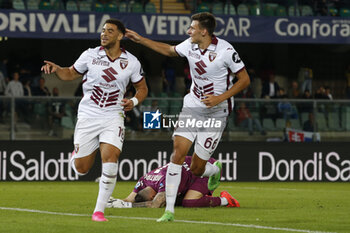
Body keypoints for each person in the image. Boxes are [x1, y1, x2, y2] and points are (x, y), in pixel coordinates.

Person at [126, 12, 250, 222]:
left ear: (204, 31)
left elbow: (245, 79)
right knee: (178, 153)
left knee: (197, 168)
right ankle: (170, 211)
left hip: (216, 113)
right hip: (192, 106)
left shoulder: (226, 51)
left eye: (192, 28)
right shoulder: (190, 45)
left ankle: (212, 170)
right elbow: (169, 50)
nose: (188, 31)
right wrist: (141, 40)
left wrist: (221, 97)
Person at [41, 18, 148, 222]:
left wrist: (133, 101)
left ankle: (98, 211)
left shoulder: (132, 62)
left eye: (109, 31)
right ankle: (76, 155)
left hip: (113, 115)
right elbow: (70, 73)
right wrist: (57, 69)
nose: (104, 34)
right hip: (88, 115)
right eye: (103, 30)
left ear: (120, 35)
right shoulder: (90, 55)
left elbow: (142, 88)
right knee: (82, 168)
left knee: (111, 157)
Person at [107, 156, 239, 209]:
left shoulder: (164, 182)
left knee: (189, 203)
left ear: (153, 195)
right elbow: (130, 199)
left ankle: (225, 200)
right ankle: (200, 196)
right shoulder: (144, 180)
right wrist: (114, 201)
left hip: (203, 170)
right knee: (173, 201)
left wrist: (127, 206)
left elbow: (156, 204)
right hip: (188, 170)